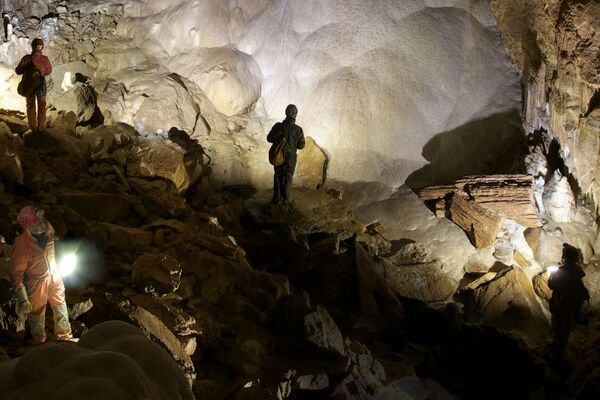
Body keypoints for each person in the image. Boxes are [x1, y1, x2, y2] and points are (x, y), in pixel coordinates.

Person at [10, 206, 72, 344]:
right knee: (37, 312)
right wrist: (23, 298)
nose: (42, 224)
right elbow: (16, 272)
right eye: (37, 223)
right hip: (37, 281)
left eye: (41, 220)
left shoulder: (48, 230)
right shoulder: (23, 244)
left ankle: (65, 337)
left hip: (54, 275)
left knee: (60, 305)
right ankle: (39, 342)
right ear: (29, 226)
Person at [548, 243, 590, 354]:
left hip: (561, 301)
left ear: (565, 257)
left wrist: (551, 276)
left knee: (558, 325)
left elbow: (552, 285)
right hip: (570, 303)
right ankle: (562, 346)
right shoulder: (577, 270)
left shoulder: (564, 271)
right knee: (566, 323)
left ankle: (557, 349)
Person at [267, 104, 305, 205]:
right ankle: (286, 199)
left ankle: (277, 199)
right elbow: (301, 145)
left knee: (278, 175)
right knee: (288, 176)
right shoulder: (298, 129)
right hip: (291, 157)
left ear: (286, 113)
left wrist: (278, 138)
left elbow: (269, 138)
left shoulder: (278, 126)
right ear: (295, 114)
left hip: (279, 155)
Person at [15, 37, 52, 134]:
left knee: (30, 105)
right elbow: (49, 71)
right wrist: (42, 72)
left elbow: (18, 71)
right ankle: (40, 128)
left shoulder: (27, 58)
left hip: (29, 84)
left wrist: (27, 70)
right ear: (41, 47)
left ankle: (33, 128)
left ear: (32, 46)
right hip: (41, 84)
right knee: (42, 105)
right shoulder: (45, 59)